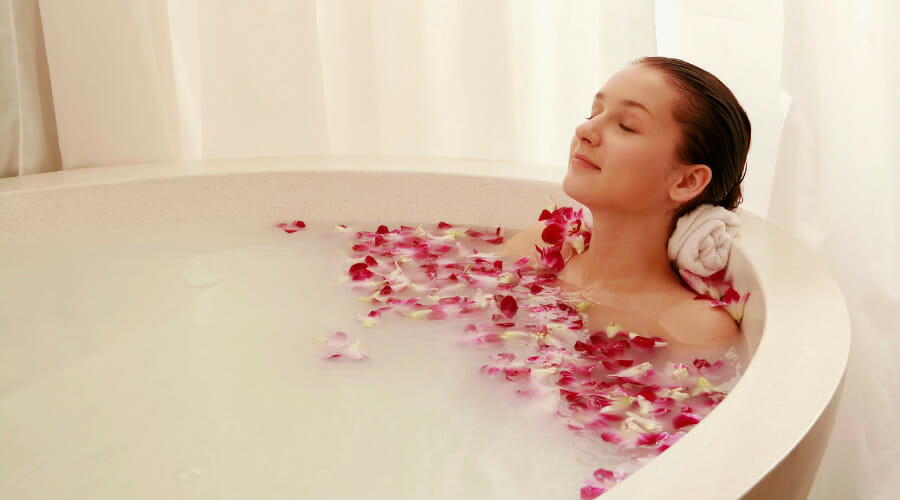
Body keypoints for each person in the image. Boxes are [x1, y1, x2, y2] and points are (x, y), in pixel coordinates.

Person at [505, 56, 751, 347]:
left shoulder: (691, 326)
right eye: (593, 113)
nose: (584, 131)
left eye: (627, 126)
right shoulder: (539, 249)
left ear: (686, 181)